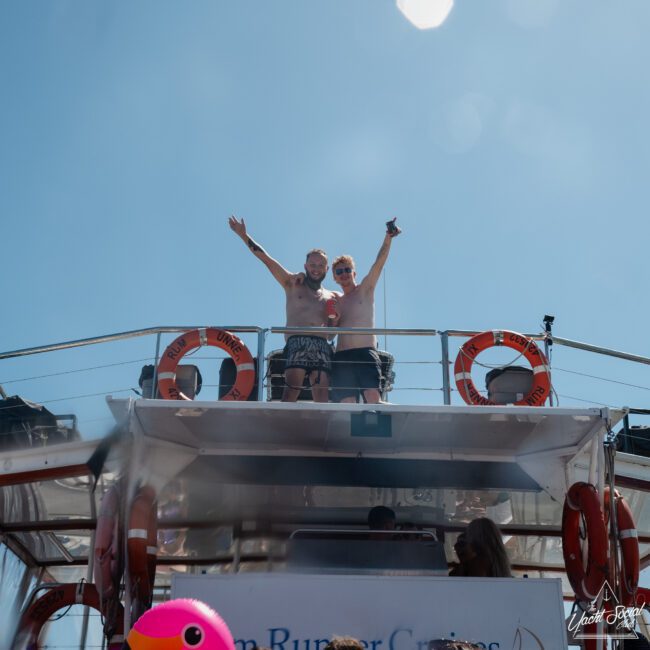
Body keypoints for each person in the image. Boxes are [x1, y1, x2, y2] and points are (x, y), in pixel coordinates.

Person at [228, 216, 338, 402]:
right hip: (296, 342)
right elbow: (267, 259)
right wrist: (243, 235)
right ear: (306, 266)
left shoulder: (332, 296)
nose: (316, 268)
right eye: (312, 265)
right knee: (290, 393)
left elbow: (332, 334)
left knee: (322, 397)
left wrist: (334, 319)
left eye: (320, 265)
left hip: (321, 345)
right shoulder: (292, 283)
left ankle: (321, 430)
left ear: (327, 269)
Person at [329, 219, 401, 403]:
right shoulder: (335, 299)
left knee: (372, 399)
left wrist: (388, 237)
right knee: (347, 404)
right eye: (339, 271)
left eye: (347, 269)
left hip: (365, 353)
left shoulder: (365, 289)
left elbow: (379, 263)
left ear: (354, 273)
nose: (343, 273)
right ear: (335, 277)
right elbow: (329, 334)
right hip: (342, 356)